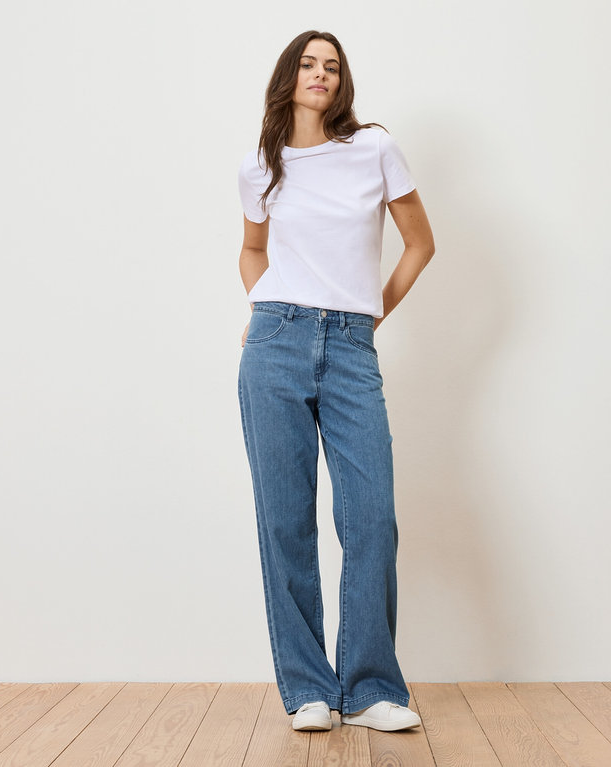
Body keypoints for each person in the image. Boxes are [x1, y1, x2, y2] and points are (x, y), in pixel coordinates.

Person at [237, 30, 434, 733]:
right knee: (285, 522)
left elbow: (421, 243)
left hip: (352, 345)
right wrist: (265, 310)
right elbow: (252, 250)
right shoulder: (260, 165)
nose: (321, 73)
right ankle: (308, 689)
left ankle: (370, 683)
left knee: (370, 517)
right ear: (288, 76)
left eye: (333, 66)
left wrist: (370, 318)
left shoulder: (374, 148)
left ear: (342, 81)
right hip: (274, 344)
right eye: (309, 63)